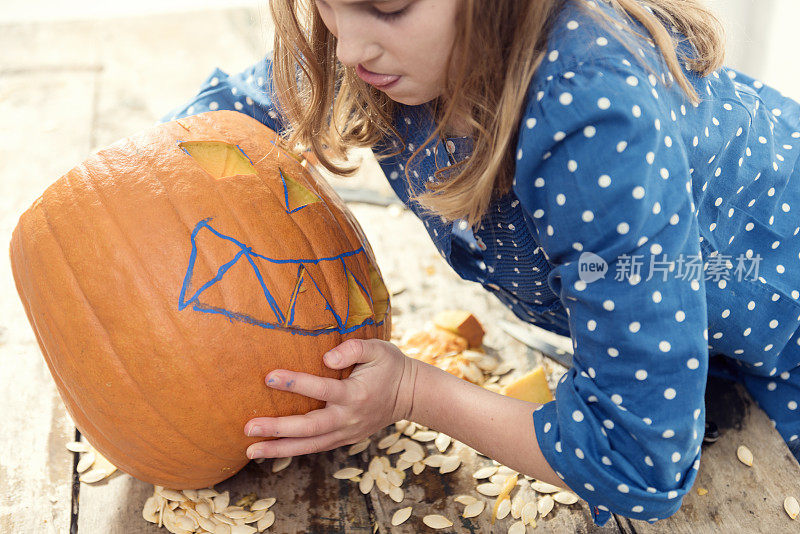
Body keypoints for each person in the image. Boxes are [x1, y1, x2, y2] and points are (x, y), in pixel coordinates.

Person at [158, 0, 800, 525]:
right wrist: (128, 194)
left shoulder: (595, 119)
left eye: (388, 8)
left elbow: (638, 461)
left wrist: (412, 391)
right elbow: (233, 112)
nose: (350, 47)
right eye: (327, 3)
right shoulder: (371, 51)